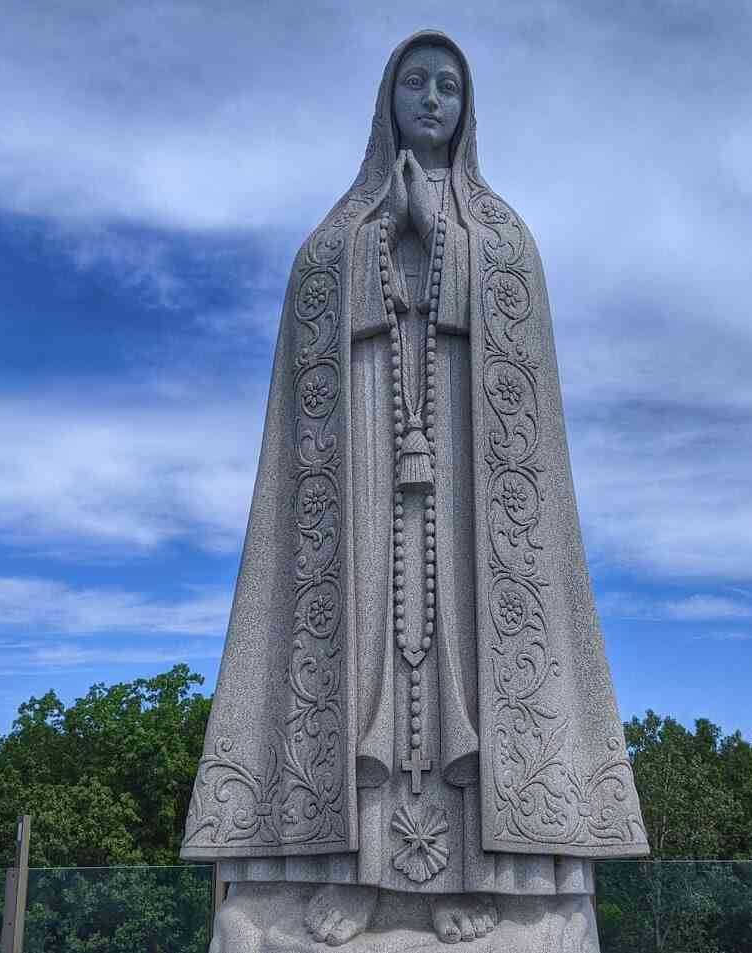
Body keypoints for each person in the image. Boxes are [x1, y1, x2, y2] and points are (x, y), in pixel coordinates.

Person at [182, 31, 647, 948]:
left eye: (448, 86)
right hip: (365, 496)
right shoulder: (340, 232)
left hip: (467, 503)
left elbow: (519, 335)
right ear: (386, 98)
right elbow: (312, 303)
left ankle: (466, 880)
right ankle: (350, 874)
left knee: (460, 675)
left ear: (468, 108)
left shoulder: (501, 232)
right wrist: (375, 246)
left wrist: (441, 243)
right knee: (360, 677)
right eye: (414, 82)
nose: (431, 98)